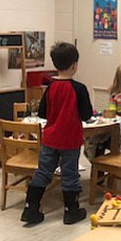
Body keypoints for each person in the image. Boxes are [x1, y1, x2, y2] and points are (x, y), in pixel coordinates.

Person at [21, 42, 93, 225]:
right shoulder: (79, 89)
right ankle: (71, 211)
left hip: (50, 138)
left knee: (43, 172)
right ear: (74, 65)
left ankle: (31, 209)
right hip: (70, 139)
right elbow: (87, 115)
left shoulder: (50, 88)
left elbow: (43, 113)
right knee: (70, 175)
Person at [83, 63, 121, 161]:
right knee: (97, 137)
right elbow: (112, 112)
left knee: (113, 133)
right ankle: (97, 162)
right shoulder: (115, 95)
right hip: (116, 126)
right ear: (119, 80)